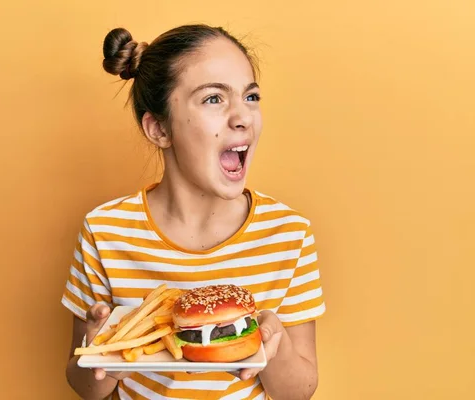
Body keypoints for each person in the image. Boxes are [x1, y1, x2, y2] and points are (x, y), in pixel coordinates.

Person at [62, 24, 326, 400]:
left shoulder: (289, 234)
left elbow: (300, 392)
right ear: (159, 130)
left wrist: (274, 343)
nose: (243, 117)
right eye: (214, 99)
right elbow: (84, 386)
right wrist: (107, 355)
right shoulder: (104, 232)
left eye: (251, 97)